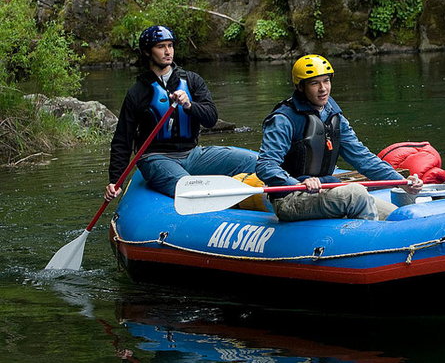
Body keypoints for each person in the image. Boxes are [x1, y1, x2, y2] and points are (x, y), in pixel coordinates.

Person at [255, 54, 423, 221]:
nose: (323, 89)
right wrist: (296, 184)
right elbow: (265, 165)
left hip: (326, 189)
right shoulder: (283, 119)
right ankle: (369, 241)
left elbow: (362, 158)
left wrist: (401, 182)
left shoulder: (333, 116)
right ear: (300, 87)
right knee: (355, 193)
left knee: (395, 215)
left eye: (326, 81)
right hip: (291, 198)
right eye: (315, 83)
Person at [105, 25, 256, 200]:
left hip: (192, 155)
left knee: (252, 161)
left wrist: (189, 105)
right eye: (161, 47)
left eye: (170, 45)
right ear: (147, 52)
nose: (168, 51)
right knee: (190, 189)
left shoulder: (192, 80)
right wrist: (116, 181)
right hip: (156, 159)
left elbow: (211, 119)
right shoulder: (137, 93)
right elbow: (122, 140)